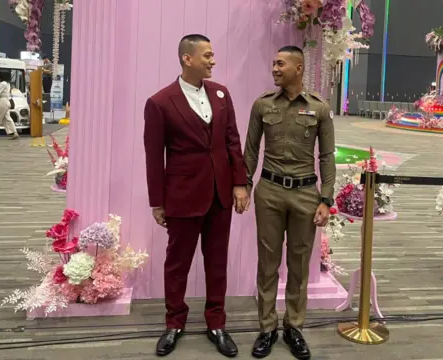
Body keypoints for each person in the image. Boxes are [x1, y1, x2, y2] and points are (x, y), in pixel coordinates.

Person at [143, 34, 249, 358]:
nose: (213, 61)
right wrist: (157, 202)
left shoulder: (221, 94)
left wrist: (240, 184)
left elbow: (232, 141)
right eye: (207, 55)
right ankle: (174, 322)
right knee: (177, 264)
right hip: (182, 196)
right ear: (187, 58)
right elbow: (153, 155)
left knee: (217, 263)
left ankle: (216, 322)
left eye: (213, 55)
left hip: (220, 196)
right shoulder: (160, 102)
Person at [243, 46, 336, 360]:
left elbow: (326, 157)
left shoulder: (319, 109)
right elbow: (251, 151)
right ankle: (267, 328)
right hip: (268, 191)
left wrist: (326, 199)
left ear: (299, 67)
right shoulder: (262, 105)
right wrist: (243, 185)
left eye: (281, 63)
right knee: (267, 263)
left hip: (305, 194)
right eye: (273, 63)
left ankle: (293, 327)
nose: (275, 68)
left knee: (299, 265)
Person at [0, 72, 19, 140]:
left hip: (2, 101)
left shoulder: (3, 83)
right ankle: (14, 132)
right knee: (7, 118)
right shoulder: (8, 84)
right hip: (6, 101)